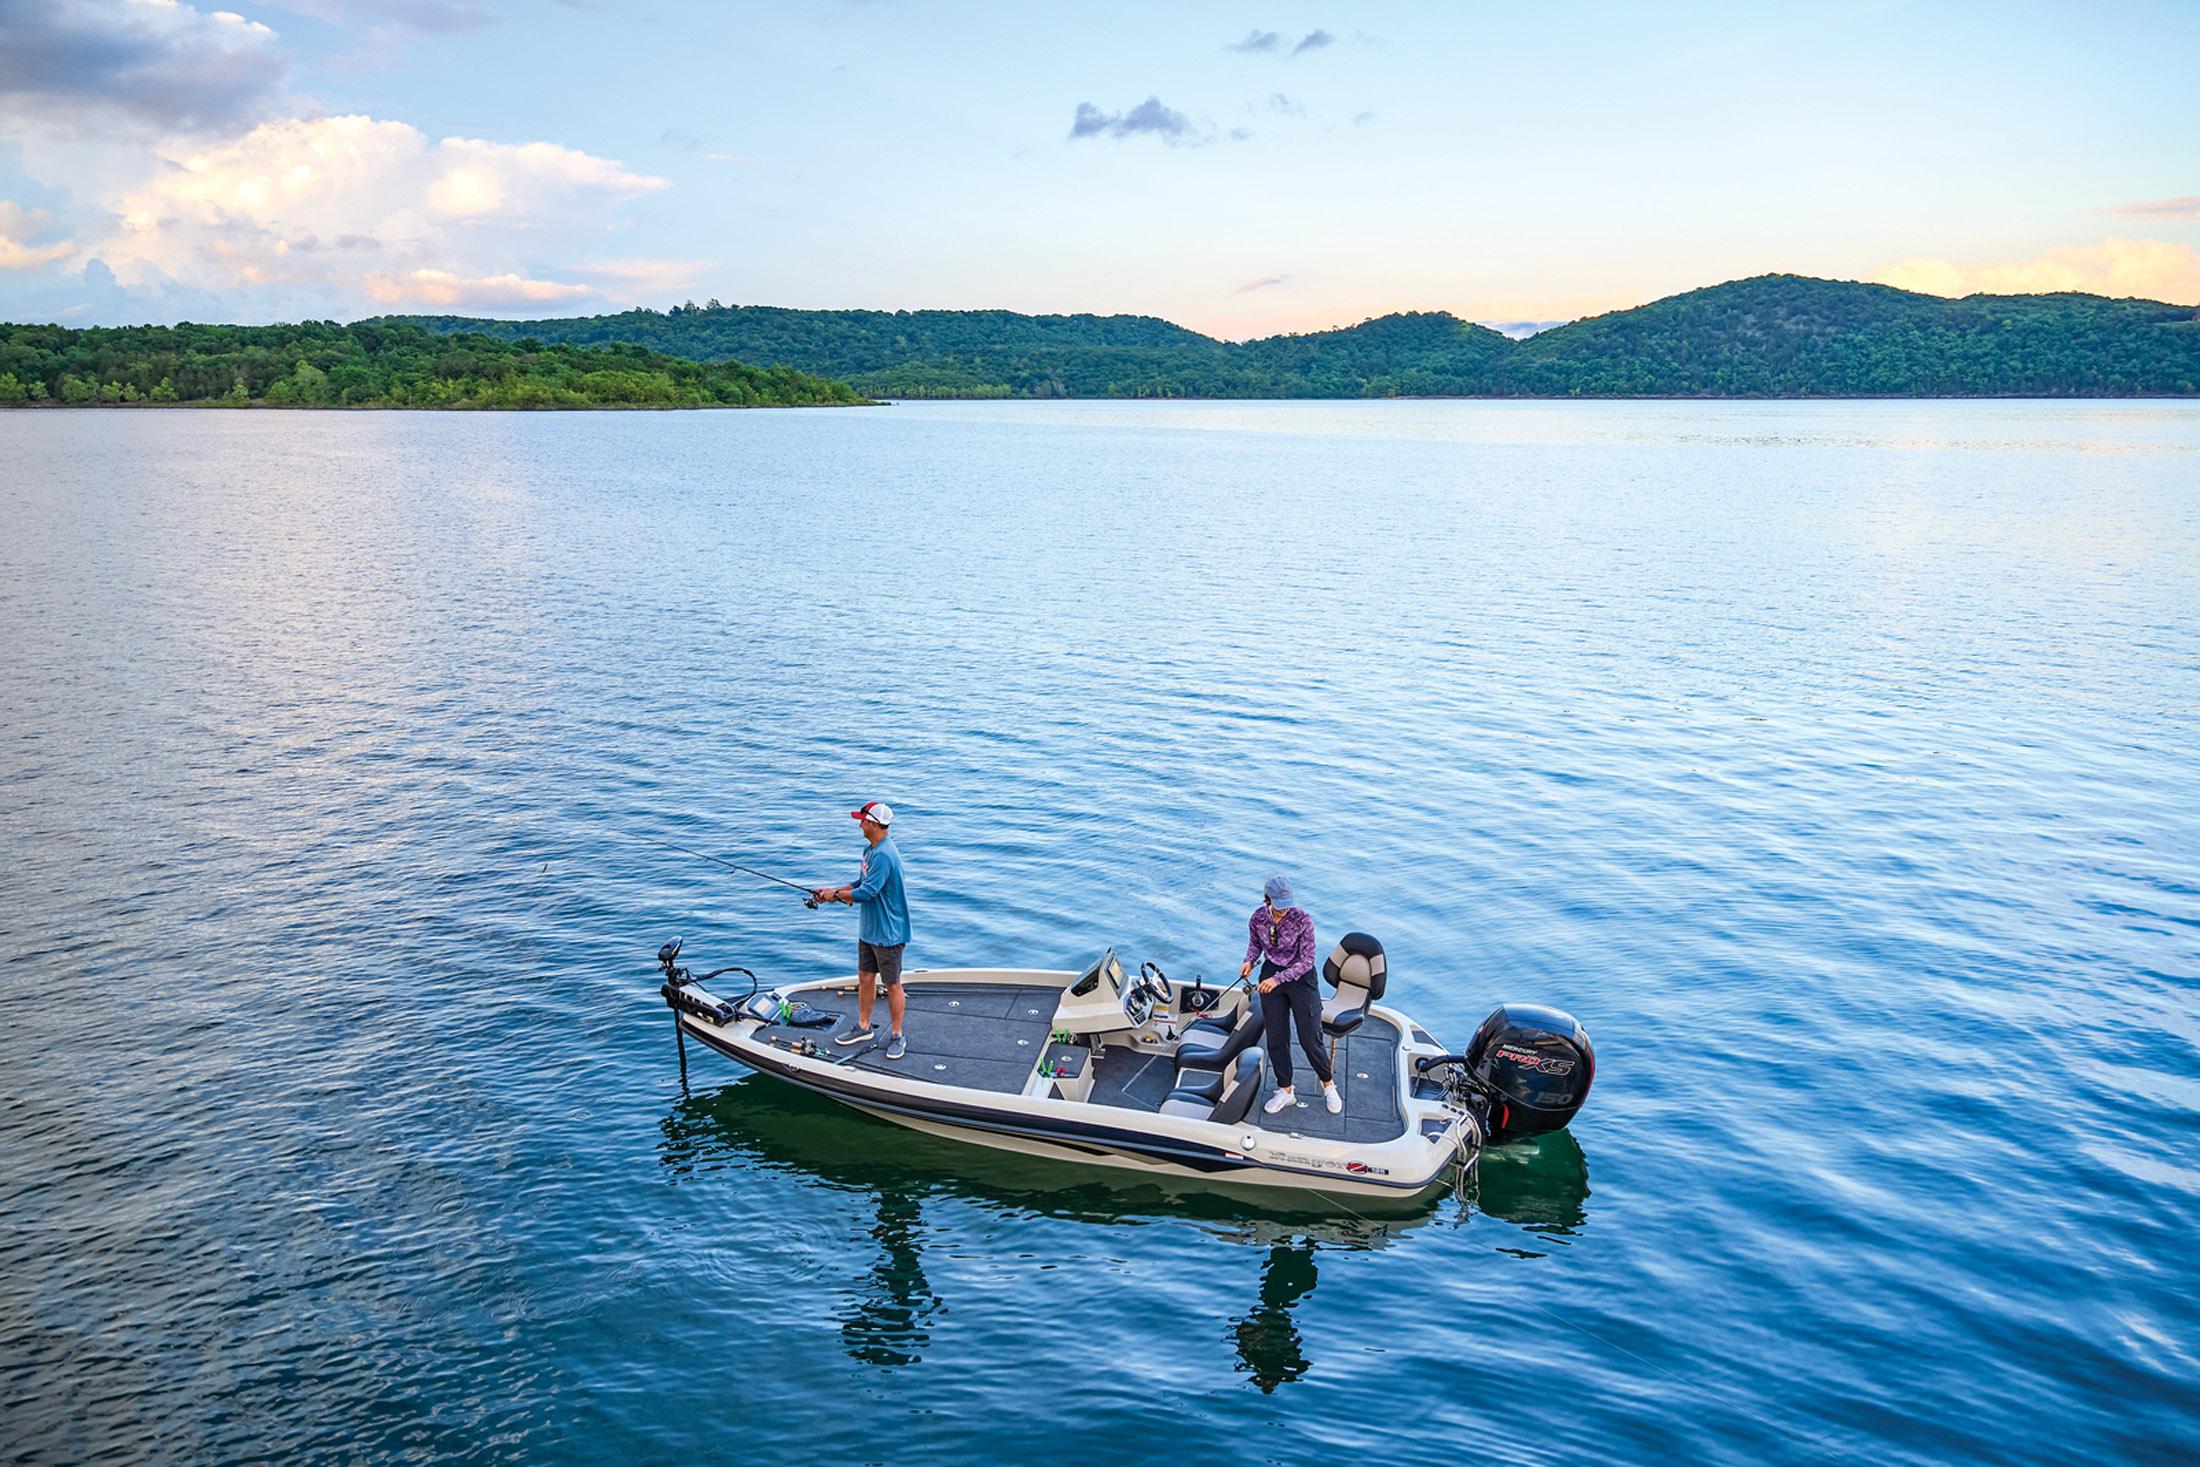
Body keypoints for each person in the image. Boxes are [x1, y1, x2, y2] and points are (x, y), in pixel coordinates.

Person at [812, 801, 912, 1060]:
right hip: (869, 930)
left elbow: (868, 892)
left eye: (863, 821)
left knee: (893, 984)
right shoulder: (870, 850)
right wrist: (832, 891)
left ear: (875, 824)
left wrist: (835, 896)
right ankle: (863, 1027)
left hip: (888, 933)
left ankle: (897, 1035)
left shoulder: (885, 854)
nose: (859, 825)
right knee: (865, 977)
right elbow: (860, 882)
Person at [1240, 875, 1339, 1115]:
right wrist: (1249, 960)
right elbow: (1255, 944)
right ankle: (1285, 1090)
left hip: (1301, 979)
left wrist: (1277, 980)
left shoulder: (1303, 920)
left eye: (1287, 904)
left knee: (1310, 1038)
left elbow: (1307, 961)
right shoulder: (1258, 918)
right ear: (1267, 899)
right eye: (1279, 905)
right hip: (1271, 973)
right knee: (1276, 1036)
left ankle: (1329, 1086)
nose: (1284, 909)